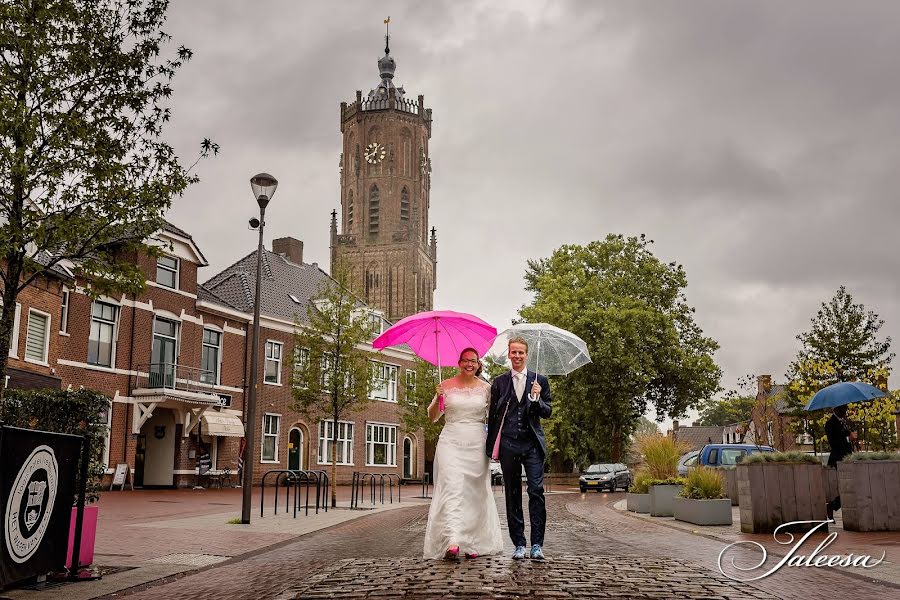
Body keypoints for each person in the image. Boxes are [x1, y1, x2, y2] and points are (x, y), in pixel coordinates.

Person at [422, 348, 503, 560]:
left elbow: (495, 418)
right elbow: (432, 417)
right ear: (459, 363)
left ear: (478, 364)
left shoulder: (487, 389)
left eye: (473, 361)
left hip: (477, 443)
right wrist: (436, 399)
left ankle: (472, 541)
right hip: (450, 442)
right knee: (452, 488)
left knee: (475, 492)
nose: (469, 364)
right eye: (465, 360)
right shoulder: (446, 385)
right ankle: (453, 540)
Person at [485, 336, 552, 561]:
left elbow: (547, 412)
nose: (517, 356)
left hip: (532, 444)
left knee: (536, 492)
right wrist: (490, 447)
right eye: (513, 352)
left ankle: (537, 545)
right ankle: (519, 544)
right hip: (508, 444)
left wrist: (537, 398)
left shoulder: (539, 380)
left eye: (521, 352)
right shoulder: (500, 382)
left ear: (526, 354)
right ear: (508, 354)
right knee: (512, 495)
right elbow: (493, 415)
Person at [825, 404, 856, 519]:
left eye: (846, 408)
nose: (846, 411)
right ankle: (832, 505)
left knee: (850, 487)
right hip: (838, 459)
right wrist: (849, 438)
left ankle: (833, 505)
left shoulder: (843, 422)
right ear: (836, 409)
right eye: (843, 409)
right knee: (846, 487)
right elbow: (834, 443)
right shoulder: (830, 423)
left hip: (846, 458)